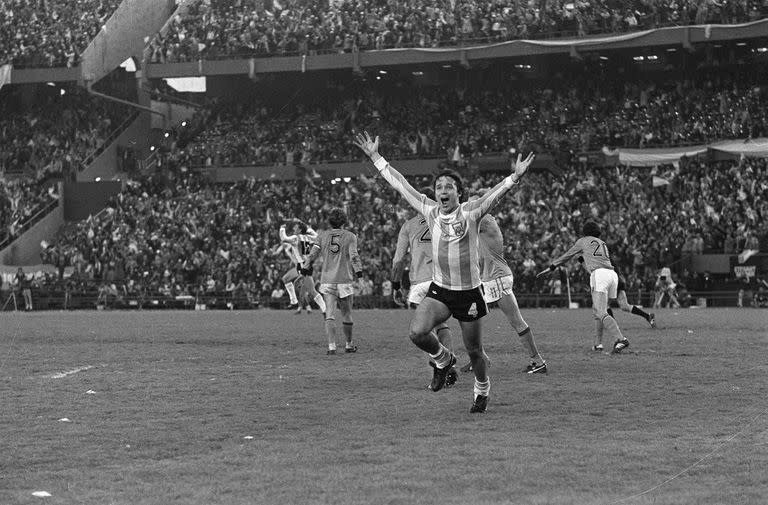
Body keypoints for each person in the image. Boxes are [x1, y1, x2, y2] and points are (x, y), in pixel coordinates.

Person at [354, 130, 534, 413]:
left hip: (470, 293)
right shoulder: (428, 210)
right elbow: (401, 185)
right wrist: (376, 157)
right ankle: (443, 359)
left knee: (475, 352)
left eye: (449, 186)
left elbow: (494, 195)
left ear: (458, 193)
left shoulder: (471, 212)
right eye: (439, 187)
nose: (443, 191)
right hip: (441, 290)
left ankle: (482, 389)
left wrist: (515, 177)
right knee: (417, 332)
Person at [462, 211, 547, 374]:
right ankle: (479, 359)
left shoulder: (484, 219)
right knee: (470, 318)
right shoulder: (486, 222)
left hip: (497, 278)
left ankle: (538, 361)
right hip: (491, 278)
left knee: (516, 321)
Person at [391, 193, 458, 387]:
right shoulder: (446, 221)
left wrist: (396, 286)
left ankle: (443, 365)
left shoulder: (408, 225)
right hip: (442, 280)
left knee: (423, 330)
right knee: (441, 325)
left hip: (420, 282)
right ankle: (448, 369)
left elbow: (398, 260)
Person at [539, 221, 630, 354]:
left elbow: (567, 256)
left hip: (599, 275)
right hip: (612, 275)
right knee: (598, 310)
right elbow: (596, 262)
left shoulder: (583, 241)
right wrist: (583, 261)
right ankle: (598, 344)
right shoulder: (602, 243)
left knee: (601, 311)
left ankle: (620, 339)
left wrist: (551, 267)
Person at [301, 207, 362, 355]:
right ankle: (348, 345)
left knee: (329, 313)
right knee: (347, 313)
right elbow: (354, 256)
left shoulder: (322, 236)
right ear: (344, 221)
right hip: (344, 279)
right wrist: (359, 275)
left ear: (330, 221)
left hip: (327, 280)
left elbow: (312, 254)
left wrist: (305, 267)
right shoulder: (350, 236)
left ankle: (332, 347)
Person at [276, 219, 327, 315]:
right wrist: (308, 228)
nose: (294, 228)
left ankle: (324, 309)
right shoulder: (308, 237)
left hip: (303, 266)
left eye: (296, 227)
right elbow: (317, 237)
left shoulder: (296, 238)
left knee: (312, 291)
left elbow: (283, 238)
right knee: (286, 279)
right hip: (305, 264)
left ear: (299, 230)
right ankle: (294, 301)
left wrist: (282, 228)